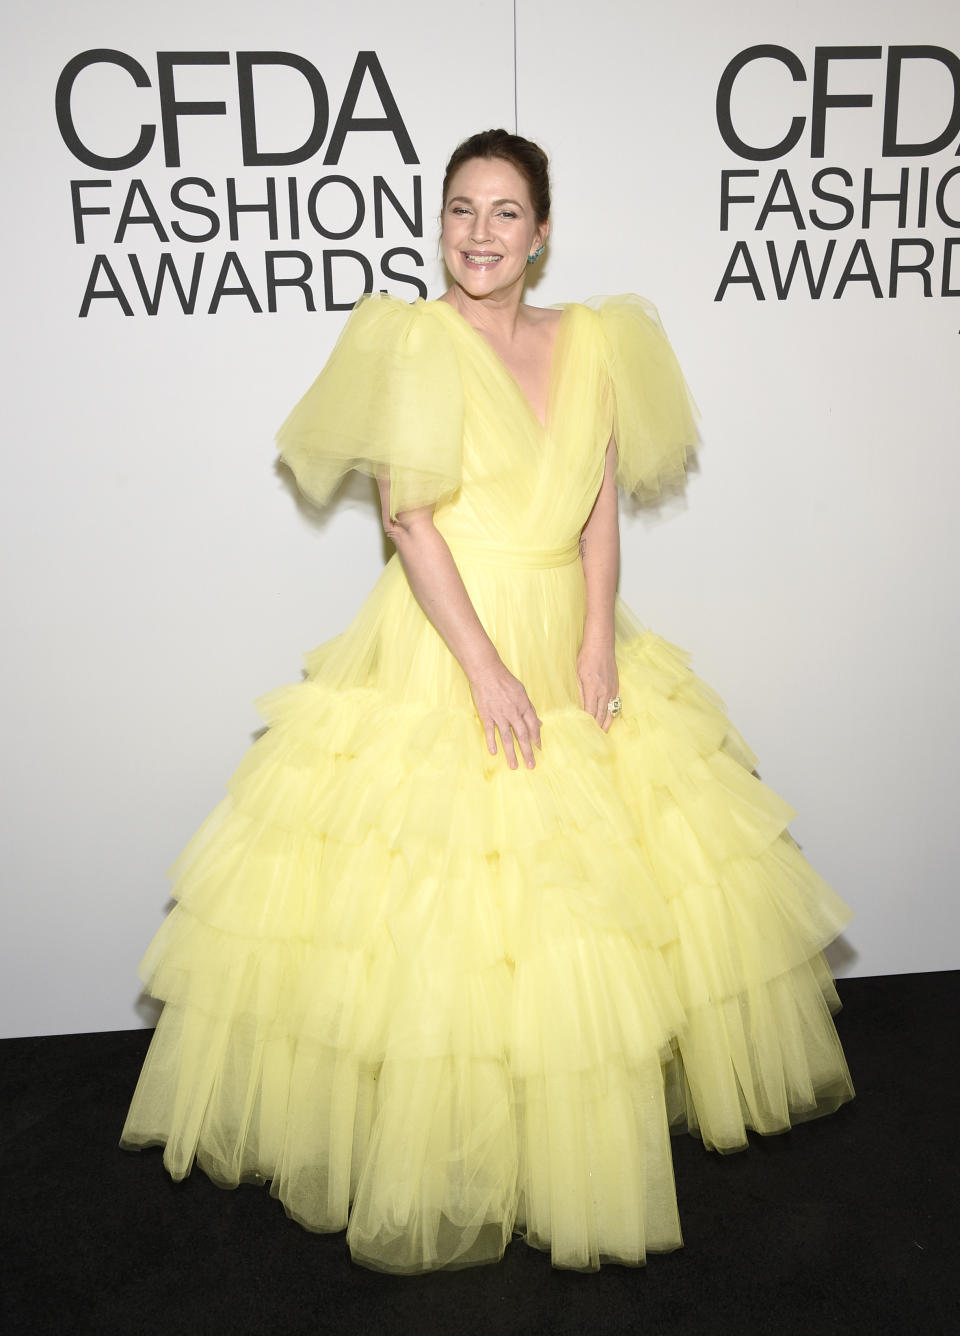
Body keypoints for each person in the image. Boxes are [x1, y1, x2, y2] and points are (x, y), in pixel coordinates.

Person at [120, 129, 855, 1275]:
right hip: (448, 633)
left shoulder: (597, 340)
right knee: (450, 912)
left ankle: (563, 1141)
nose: (479, 232)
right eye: (461, 208)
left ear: (542, 233)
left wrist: (598, 637)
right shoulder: (411, 342)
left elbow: (601, 499)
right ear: (440, 220)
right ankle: (460, 1153)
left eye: (505, 212)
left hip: (571, 628)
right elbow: (408, 521)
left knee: (585, 901)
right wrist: (486, 668)